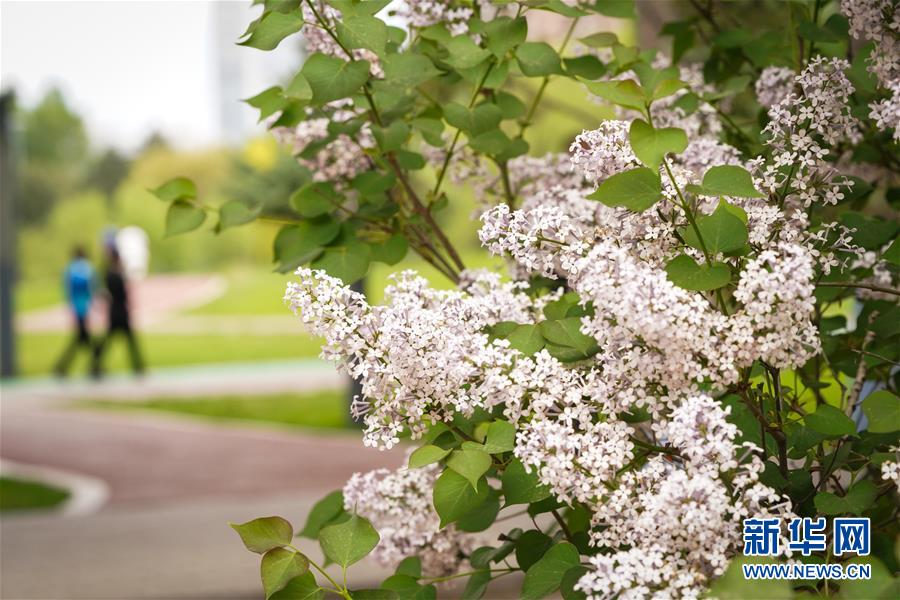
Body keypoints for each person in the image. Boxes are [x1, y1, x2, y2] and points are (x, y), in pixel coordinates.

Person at [92, 247, 144, 377]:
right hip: (119, 311)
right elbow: (122, 293)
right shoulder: (115, 274)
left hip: (116, 311)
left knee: (113, 342)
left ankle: (96, 365)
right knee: (127, 342)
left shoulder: (110, 273)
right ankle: (138, 367)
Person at [53, 246, 95, 377]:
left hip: (77, 305)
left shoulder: (70, 269)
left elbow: (68, 289)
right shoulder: (87, 268)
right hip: (84, 305)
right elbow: (91, 288)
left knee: (81, 338)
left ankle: (63, 366)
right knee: (82, 338)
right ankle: (95, 365)